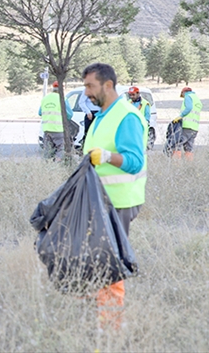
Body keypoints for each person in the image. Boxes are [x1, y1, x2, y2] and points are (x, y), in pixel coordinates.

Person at [82, 63, 147, 330]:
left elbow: (134, 161)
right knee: (98, 262)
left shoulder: (126, 116)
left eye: (90, 86)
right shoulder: (102, 116)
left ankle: (110, 328)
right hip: (100, 202)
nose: (86, 92)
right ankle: (101, 317)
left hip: (119, 203)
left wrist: (107, 156)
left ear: (108, 85)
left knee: (110, 266)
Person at [38, 81, 73, 161]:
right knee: (61, 149)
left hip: (47, 129)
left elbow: (40, 112)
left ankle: (47, 167)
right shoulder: (62, 98)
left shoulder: (45, 98)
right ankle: (57, 166)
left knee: (48, 151)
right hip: (58, 129)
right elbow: (70, 115)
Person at [172, 86, 202, 160]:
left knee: (177, 143)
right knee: (189, 147)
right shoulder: (196, 99)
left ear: (183, 92)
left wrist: (180, 116)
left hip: (187, 126)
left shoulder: (188, 96)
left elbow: (188, 108)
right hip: (194, 127)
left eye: (182, 95)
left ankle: (176, 163)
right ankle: (189, 165)